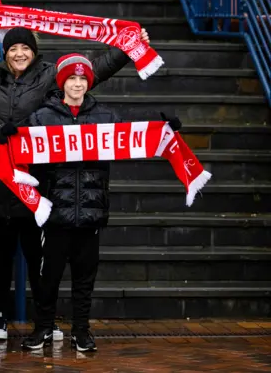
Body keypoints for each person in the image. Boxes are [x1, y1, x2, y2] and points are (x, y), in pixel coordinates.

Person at [0, 25, 150, 340]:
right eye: (13, 48)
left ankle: (45, 320)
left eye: (25, 48)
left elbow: (91, 70)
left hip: (36, 186)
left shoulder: (47, 77)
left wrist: (127, 48)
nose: (19, 54)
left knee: (39, 259)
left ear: (34, 50)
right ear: (5, 52)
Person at [22, 54, 180, 352]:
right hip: (55, 212)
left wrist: (165, 132)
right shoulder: (42, 117)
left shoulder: (105, 116)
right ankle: (43, 327)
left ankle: (81, 331)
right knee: (48, 278)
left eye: (83, 79)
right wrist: (8, 138)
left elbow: (133, 141)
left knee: (84, 278)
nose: (78, 84)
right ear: (62, 82)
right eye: (72, 79)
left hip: (91, 211)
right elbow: (25, 155)